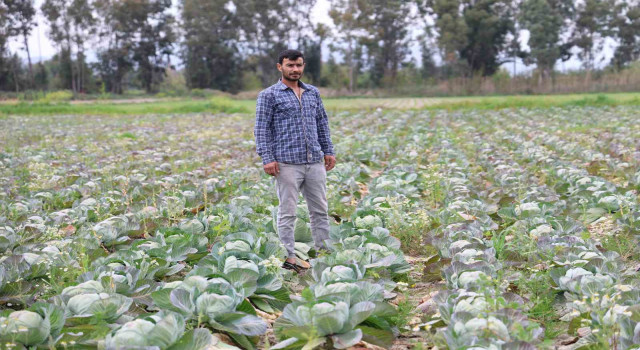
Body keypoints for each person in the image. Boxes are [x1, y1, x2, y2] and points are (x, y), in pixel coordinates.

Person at [254, 49, 336, 273]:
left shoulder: (312, 93)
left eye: (299, 65)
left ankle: (324, 253)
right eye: (290, 65)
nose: (295, 70)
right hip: (287, 163)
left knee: (320, 210)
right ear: (280, 67)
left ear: (303, 66)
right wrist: (267, 158)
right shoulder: (269, 95)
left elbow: (322, 123)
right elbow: (262, 130)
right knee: (287, 212)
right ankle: (288, 257)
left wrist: (328, 150)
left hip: (314, 161)